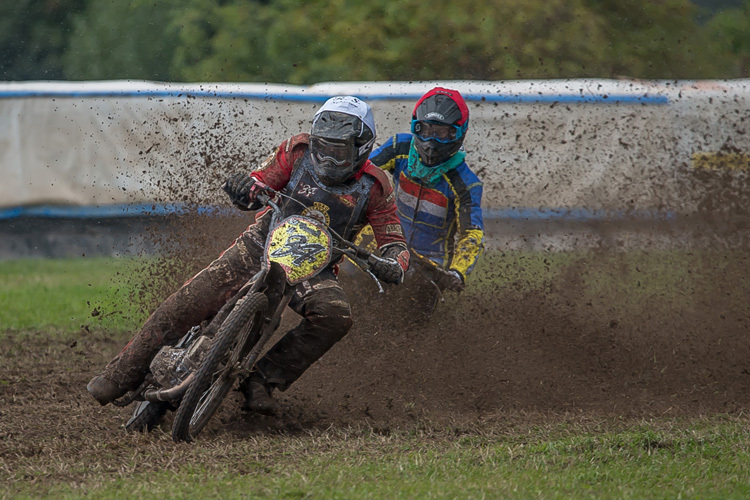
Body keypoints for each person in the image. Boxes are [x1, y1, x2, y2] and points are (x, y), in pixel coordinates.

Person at [87, 96, 410, 414]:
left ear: (362, 147)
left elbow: (393, 240)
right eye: (323, 147)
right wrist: (245, 187)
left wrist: (393, 263)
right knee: (187, 301)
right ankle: (119, 375)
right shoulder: (296, 152)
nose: (328, 158)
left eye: (339, 150)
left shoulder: (375, 187)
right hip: (260, 243)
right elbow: (259, 183)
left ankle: (263, 381)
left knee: (336, 318)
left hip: (315, 269)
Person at [368, 87, 484, 317]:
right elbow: (363, 174)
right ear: (416, 127)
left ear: (459, 133)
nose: (432, 141)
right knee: (350, 278)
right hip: (388, 243)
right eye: (427, 130)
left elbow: (471, 233)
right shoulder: (398, 148)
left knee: (409, 316)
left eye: (441, 133)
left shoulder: (466, 183)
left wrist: (458, 273)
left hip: (429, 265)